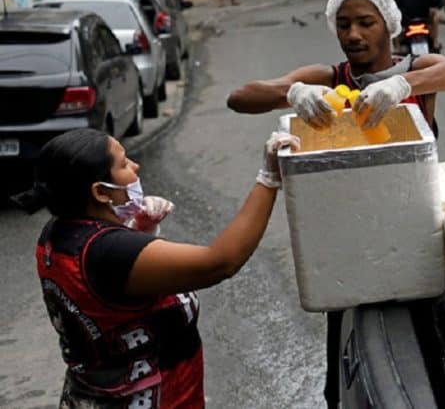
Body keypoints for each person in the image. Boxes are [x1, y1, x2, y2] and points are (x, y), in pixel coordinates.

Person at [19, 128, 299, 407]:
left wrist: (136, 233)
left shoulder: (58, 233)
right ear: (101, 192)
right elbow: (221, 262)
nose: (135, 167)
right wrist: (268, 178)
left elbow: (106, 292)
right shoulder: (110, 252)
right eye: (124, 163)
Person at [226, 0, 445, 135]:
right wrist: (294, 93)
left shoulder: (416, 68)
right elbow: (239, 98)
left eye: (365, 23)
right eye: (344, 25)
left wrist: (403, 85)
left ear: (388, 24)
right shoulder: (329, 79)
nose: (353, 34)